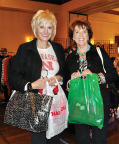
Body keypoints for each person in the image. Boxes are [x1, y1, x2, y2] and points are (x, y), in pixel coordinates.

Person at [9, 10, 65, 144]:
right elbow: (14, 77)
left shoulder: (58, 48)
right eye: (42, 26)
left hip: (56, 100)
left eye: (49, 27)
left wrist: (58, 78)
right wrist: (32, 85)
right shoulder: (25, 48)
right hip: (35, 101)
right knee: (38, 140)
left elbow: (64, 72)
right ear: (35, 28)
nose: (46, 31)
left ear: (53, 30)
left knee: (54, 138)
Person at [66, 20, 118, 144]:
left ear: (89, 34)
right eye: (77, 32)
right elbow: (66, 84)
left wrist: (96, 77)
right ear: (72, 36)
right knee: (81, 138)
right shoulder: (70, 58)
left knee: (99, 138)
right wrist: (71, 81)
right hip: (79, 103)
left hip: (99, 101)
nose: (81, 35)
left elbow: (113, 74)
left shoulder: (99, 52)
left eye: (84, 31)